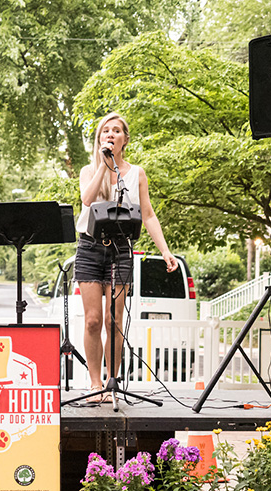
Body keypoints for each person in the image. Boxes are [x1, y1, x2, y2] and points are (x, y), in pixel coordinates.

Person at [75, 112, 178, 402]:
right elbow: (87, 199)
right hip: (90, 247)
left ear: (125, 139)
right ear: (99, 139)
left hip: (121, 250)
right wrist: (102, 166)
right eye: (105, 131)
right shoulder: (88, 170)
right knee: (93, 320)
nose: (111, 134)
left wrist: (165, 251)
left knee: (114, 321)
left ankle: (112, 382)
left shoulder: (136, 173)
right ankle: (94, 384)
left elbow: (148, 214)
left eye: (116, 131)